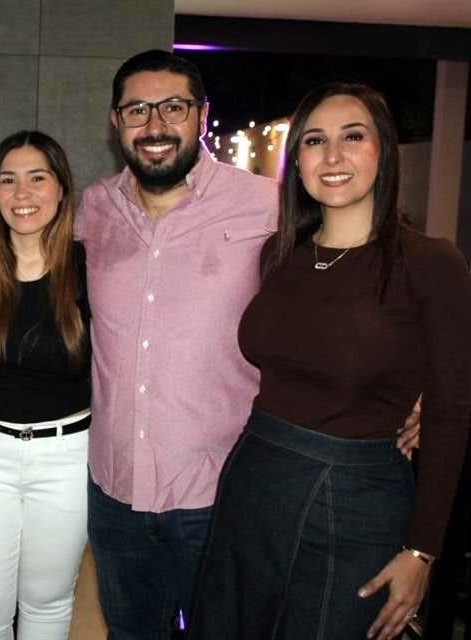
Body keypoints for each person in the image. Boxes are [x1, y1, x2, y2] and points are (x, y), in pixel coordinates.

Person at [75, 50, 419, 640]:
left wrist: (422, 391)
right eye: (137, 109)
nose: (155, 124)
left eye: (173, 107)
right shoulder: (94, 208)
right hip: (115, 491)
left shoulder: (269, 205)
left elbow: (369, 277)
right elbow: (11, 230)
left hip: (222, 494)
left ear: (202, 114)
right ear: (116, 122)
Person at [191, 83, 471, 640]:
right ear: (297, 161)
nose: (334, 156)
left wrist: (423, 550)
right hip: (254, 480)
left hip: (359, 500)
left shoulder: (431, 262)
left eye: (353, 137)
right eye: (316, 141)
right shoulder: (281, 254)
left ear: (383, 150)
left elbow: (452, 412)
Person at [0, 130, 90, 639]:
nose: (22, 193)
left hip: (68, 456)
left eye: (37, 178)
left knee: (48, 603)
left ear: (61, 190)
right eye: (8, 180)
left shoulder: (90, 266)